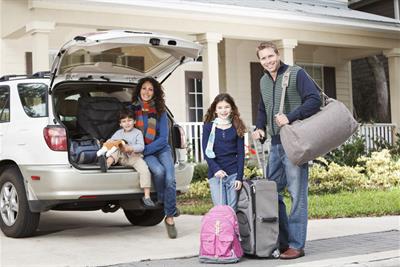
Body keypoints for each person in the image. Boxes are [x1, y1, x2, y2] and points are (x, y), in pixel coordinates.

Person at [252, 41, 321, 259]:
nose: (268, 61)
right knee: (271, 194)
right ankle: (281, 241)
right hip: (274, 144)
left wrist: (290, 117)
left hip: (294, 142)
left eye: (270, 56)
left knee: (297, 194)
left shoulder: (296, 73)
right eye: (263, 58)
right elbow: (262, 108)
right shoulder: (263, 80)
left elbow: (314, 100)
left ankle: (296, 245)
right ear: (260, 61)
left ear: (278, 54)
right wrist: (259, 127)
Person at [130, 77, 179, 239]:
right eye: (144, 88)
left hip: (160, 149)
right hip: (146, 152)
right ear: (139, 90)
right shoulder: (132, 110)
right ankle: (167, 203)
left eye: (150, 89)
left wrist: (143, 151)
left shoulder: (160, 110)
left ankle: (169, 217)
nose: (146, 92)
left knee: (170, 178)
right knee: (158, 172)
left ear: (155, 92)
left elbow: (164, 138)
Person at [202, 93, 246, 211]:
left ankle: (232, 230)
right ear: (215, 110)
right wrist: (216, 169)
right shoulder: (207, 127)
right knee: (221, 210)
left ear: (231, 109)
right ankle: (222, 230)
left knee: (232, 210)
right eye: (220, 107)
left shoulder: (237, 126)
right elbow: (206, 152)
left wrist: (239, 177)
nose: (223, 110)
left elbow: (241, 154)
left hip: (233, 174)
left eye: (226, 107)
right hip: (216, 174)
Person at [103, 108, 155, 208]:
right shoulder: (119, 133)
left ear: (134, 121)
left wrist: (130, 148)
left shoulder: (137, 133)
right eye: (124, 121)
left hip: (134, 157)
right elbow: (111, 141)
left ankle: (147, 196)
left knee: (145, 170)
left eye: (129, 120)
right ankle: (106, 164)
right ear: (120, 124)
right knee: (115, 150)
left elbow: (141, 146)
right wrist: (109, 142)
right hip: (121, 157)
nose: (127, 123)